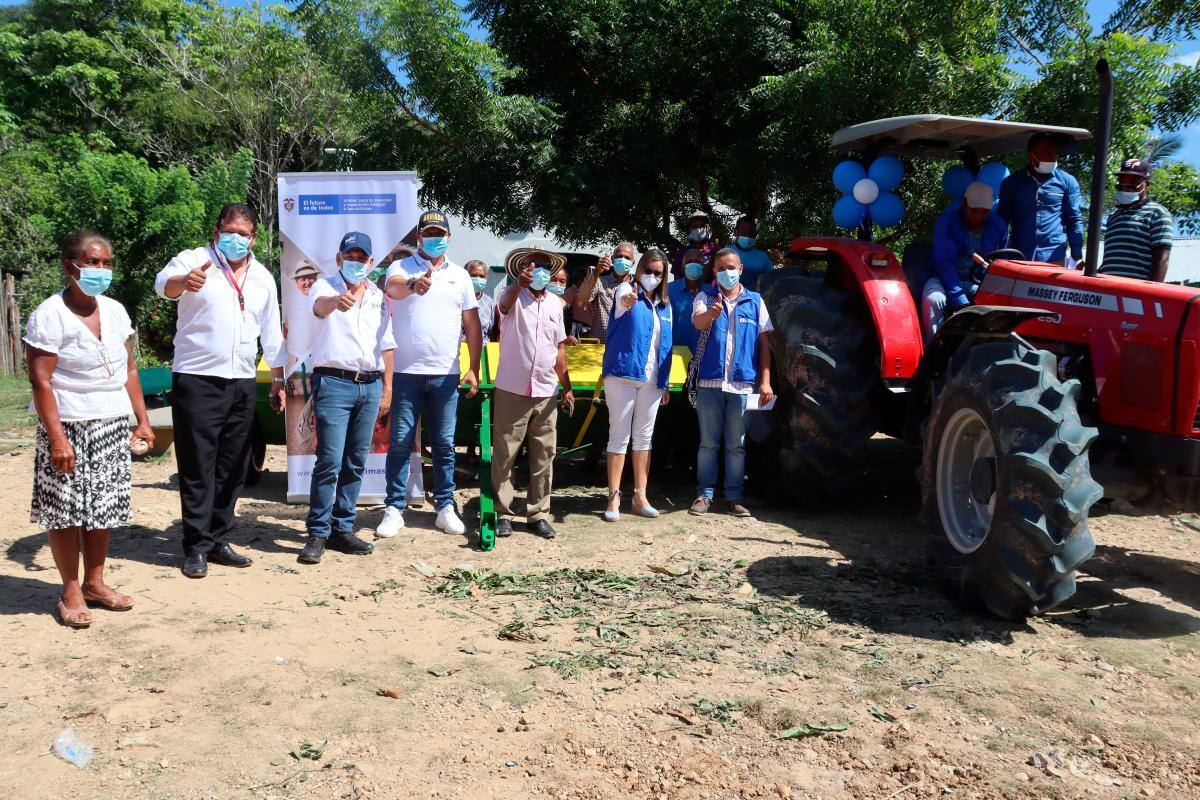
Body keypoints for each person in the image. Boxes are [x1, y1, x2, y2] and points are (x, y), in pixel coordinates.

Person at [25, 230, 154, 627]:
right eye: (93, 262)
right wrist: (58, 438)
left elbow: (129, 369)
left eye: (106, 263)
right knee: (66, 510)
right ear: (70, 266)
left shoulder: (114, 311)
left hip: (110, 422)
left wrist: (143, 420)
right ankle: (70, 590)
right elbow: (41, 380)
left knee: (102, 508)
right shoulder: (49, 314)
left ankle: (95, 583)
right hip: (67, 425)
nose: (101, 269)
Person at [155, 203, 285, 578]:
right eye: (229, 232)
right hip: (197, 378)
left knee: (233, 466)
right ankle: (196, 546)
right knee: (198, 465)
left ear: (254, 238)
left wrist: (278, 378)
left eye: (243, 234)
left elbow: (271, 332)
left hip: (241, 380)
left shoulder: (262, 277)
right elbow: (163, 285)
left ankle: (218, 538)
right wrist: (184, 282)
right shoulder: (195, 260)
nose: (236, 239)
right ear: (216, 232)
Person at [377, 210, 482, 538]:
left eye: (440, 234)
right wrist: (414, 284)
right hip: (406, 373)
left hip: (446, 375)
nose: (434, 239)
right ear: (418, 237)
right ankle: (394, 508)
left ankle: (445, 507)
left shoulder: (461, 276)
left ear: (449, 237)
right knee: (400, 442)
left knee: (444, 444)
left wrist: (474, 368)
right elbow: (392, 288)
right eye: (428, 233)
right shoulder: (401, 267)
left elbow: (472, 324)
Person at [298, 232, 396, 565]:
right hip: (334, 383)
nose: (355, 262)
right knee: (329, 461)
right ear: (339, 259)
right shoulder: (324, 287)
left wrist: (387, 388)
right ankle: (317, 532)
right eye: (349, 257)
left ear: (371, 262)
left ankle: (342, 528)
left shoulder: (378, 296)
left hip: (370, 384)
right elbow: (319, 307)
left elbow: (387, 344)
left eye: (361, 258)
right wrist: (336, 302)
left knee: (355, 460)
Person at [491, 247, 575, 539]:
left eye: (544, 266)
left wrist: (566, 387)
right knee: (505, 453)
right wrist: (518, 285)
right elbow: (504, 305)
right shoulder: (512, 296)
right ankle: (503, 512)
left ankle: (537, 514)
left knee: (544, 455)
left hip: (545, 389)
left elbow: (559, 348)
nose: (539, 270)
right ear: (520, 269)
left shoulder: (555, 304)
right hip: (512, 388)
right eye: (532, 265)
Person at [689, 248, 774, 517]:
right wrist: (712, 313)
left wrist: (766, 381)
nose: (727, 272)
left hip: (742, 385)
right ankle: (704, 494)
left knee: (736, 445)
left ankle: (734, 497)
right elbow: (698, 324)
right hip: (709, 383)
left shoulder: (756, 301)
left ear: (741, 270)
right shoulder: (704, 297)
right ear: (714, 272)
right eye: (722, 268)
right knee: (708, 444)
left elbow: (764, 344)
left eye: (732, 267)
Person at [601, 249, 672, 521]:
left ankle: (640, 497)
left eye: (658, 273)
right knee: (619, 436)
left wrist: (664, 382)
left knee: (644, 438)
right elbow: (623, 300)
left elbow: (664, 345)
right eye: (648, 271)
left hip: (653, 380)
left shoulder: (664, 306)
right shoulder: (625, 290)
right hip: (623, 374)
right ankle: (613, 497)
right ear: (639, 269)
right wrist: (628, 299)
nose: (652, 276)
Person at [921, 182, 1009, 339]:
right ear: (963, 203)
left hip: (977, 281)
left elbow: (1001, 263)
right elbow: (945, 264)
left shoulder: (999, 226)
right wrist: (961, 300)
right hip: (942, 278)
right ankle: (932, 347)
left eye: (984, 212)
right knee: (933, 300)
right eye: (974, 211)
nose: (978, 217)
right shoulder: (946, 224)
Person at [997, 132, 1083, 265]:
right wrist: (999, 252)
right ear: (1031, 156)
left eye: (1055, 153)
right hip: (1019, 257)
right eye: (1048, 154)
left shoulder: (1068, 182)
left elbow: (1074, 219)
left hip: (1054, 258)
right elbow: (1001, 220)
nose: (1053, 158)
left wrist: (1077, 256)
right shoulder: (1011, 183)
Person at [1093, 158, 1176, 282]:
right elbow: (1112, 258)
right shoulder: (1113, 216)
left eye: (1132, 184)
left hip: (1135, 288)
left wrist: (1152, 290)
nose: (1126, 189)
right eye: (1122, 183)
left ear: (1147, 184)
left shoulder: (1158, 213)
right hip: (1108, 286)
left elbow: (1162, 259)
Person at [576, 242, 635, 343]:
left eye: (627, 258)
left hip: (627, 345)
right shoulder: (600, 282)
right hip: (601, 346)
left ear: (633, 262)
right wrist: (597, 272)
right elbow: (583, 297)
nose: (622, 260)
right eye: (619, 256)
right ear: (612, 259)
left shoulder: (637, 287)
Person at [668, 248, 709, 352]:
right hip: (676, 351)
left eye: (697, 262)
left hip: (703, 353)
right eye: (689, 262)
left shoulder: (711, 292)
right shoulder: (669, 290)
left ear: (703, 267)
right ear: (682, 268)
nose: (693, 264)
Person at [729, 216, 773, 290]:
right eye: (744, 232)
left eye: (751, 233)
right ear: (736, 232)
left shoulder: (762, 257)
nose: (747, 236)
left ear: (755, 235)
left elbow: (771, 281)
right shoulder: (725, 254)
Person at [672, 211, 719, 278]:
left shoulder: (717, 250)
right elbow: (677, 279)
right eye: (695, 227)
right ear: (689, 230)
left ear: (708, 228)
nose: (699, 229)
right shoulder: (681, 253)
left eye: (702, 226)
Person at [465, 259, 497, 341]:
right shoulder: (458, 299)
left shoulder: (489, 303)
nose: (478, 279)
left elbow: (493, 331)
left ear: (486, 278)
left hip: (483, 347)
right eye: (474, 275)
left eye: (482, 276)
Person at [547, 266, 579, 344]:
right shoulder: (538, 304)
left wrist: (567, 339)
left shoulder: (567, 307)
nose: (558, 284)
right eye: (553, 280)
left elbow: (565, 333)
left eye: (562, 281)